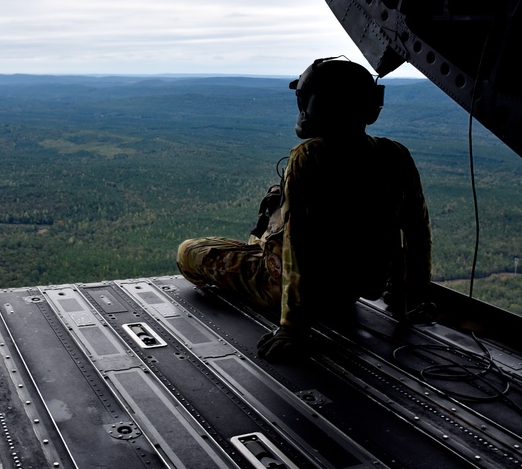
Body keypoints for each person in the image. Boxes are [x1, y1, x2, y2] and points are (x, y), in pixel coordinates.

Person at [176, 58, 431, 362]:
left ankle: (259, 263)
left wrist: (292, 328)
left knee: (189, 251)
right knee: (271, 212)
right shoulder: (394, 154)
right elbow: (416, 231)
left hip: (300, 292)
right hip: (351, 289)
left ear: (315, 103)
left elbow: (299, 244)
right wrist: (411, 295)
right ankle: (260, 250)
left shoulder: (309, 157)